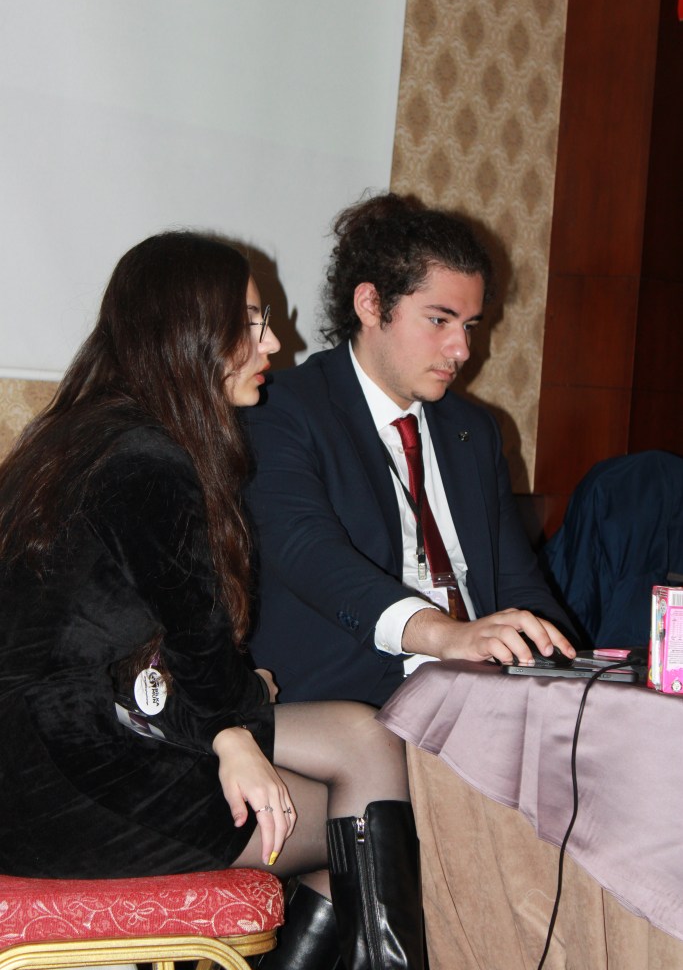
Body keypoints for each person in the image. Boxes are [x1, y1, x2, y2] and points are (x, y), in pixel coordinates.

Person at [0, 231, 424, 970]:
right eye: (251, 322)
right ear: (189, 332)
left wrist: (234, 710)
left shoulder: (84, 436)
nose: (274, 342)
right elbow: (196, 644)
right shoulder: (146, 459)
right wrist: (231, 733)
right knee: (357, 827)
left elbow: (116, 645)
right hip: (66, 786)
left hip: (55, 755)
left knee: (364, 739)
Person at [245, 193, 576, 706]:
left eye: (469, 326)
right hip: (357, 693)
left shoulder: (474, 430)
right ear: (371, 305)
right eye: (440, 320)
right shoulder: (284, 410)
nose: (462, 350)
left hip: (479, 687)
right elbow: (311, 556)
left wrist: (554, 658)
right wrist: (446, 636)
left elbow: (517, 580)